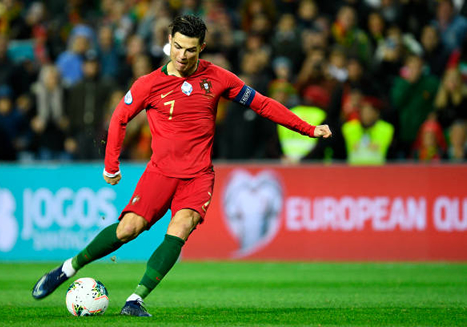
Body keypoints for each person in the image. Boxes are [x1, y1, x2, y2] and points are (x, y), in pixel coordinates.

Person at [31, 15, 332, 317]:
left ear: (202, 47)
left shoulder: (219, 79)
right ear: (169, 41)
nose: (182, 55)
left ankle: (135, 300)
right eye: (177, 47)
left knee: (181, 226)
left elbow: (263, 104)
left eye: (190, 50)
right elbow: (119, 117)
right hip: (160, 172)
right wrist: (111, 164)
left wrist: (309, 128)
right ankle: (68, 268)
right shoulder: (148, 84)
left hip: (198, 176)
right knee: (128, 230)